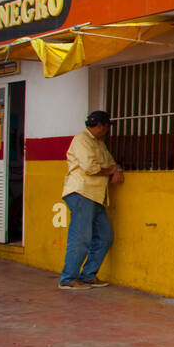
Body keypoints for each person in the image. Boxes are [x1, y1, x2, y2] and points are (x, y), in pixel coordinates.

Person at [59, 110, 124, 289]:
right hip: (81, 192)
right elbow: (89, 167)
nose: (108, 131)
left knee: (105, 236)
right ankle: (68, 278)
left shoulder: (99, 143)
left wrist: (115, 170)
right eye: (107, 127)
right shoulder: (82, 140)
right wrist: (110, 171)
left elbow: (111, 163)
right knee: (81, 237)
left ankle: (88, 275)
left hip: (96, 195)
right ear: (101, 125)